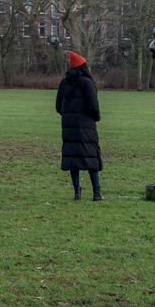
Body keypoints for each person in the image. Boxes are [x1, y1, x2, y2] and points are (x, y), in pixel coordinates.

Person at [55, 52, 104, 201]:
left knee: (73, 158)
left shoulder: (64, 82)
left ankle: (77, 194)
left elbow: (58, 106)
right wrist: (96, 117)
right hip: (86, 125)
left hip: (69, 125)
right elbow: (93, 105)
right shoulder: (87, 82)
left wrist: (67, 116)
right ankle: (96, 193)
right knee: (91, 156)